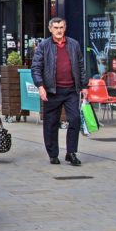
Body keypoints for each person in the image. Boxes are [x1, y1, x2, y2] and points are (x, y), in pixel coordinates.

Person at [31, 17, 85, 166]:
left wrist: (84, 86)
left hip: (71, 90)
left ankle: (71, 152)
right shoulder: (44, 45)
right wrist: (40, 86)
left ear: (65, 27)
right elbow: (35, 68)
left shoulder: (73, 44)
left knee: (74, 119)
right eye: (56, 27)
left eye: (61, 27)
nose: (59, 30)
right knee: (51, 123)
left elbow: (80, 65)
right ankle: (53, 154)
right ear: (50, 29)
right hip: (52, 91)